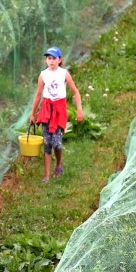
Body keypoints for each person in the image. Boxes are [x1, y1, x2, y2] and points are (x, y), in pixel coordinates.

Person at [31, 46, 84, 183]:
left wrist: (79, 109)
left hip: (59, 111)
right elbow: (38, 95)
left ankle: (59, 164)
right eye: (49, 58)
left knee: (57, 144)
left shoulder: (64, 74)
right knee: (47, 143)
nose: (51, 61)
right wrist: (33, 114)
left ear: (59, 60)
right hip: (46, 110)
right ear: (46, 60)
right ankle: (47, 175)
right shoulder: (43, 75)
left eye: (54, 58)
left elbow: (75, 92)